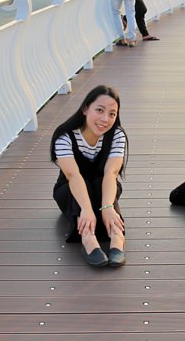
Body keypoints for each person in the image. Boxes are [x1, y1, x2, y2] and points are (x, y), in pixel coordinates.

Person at [51, 85, 128, 267]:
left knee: (104, 181)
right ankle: (87, 238)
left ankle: (117, 238)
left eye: (112, 114)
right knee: (81, 182)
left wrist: (108, 207)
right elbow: (73, 175)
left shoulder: (117, 135)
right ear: (85, 109)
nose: (105, 119)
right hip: (71, 191)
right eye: (99, 110)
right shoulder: (65, 137)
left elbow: (111, 172)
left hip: (103, 190)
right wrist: (86, 208)